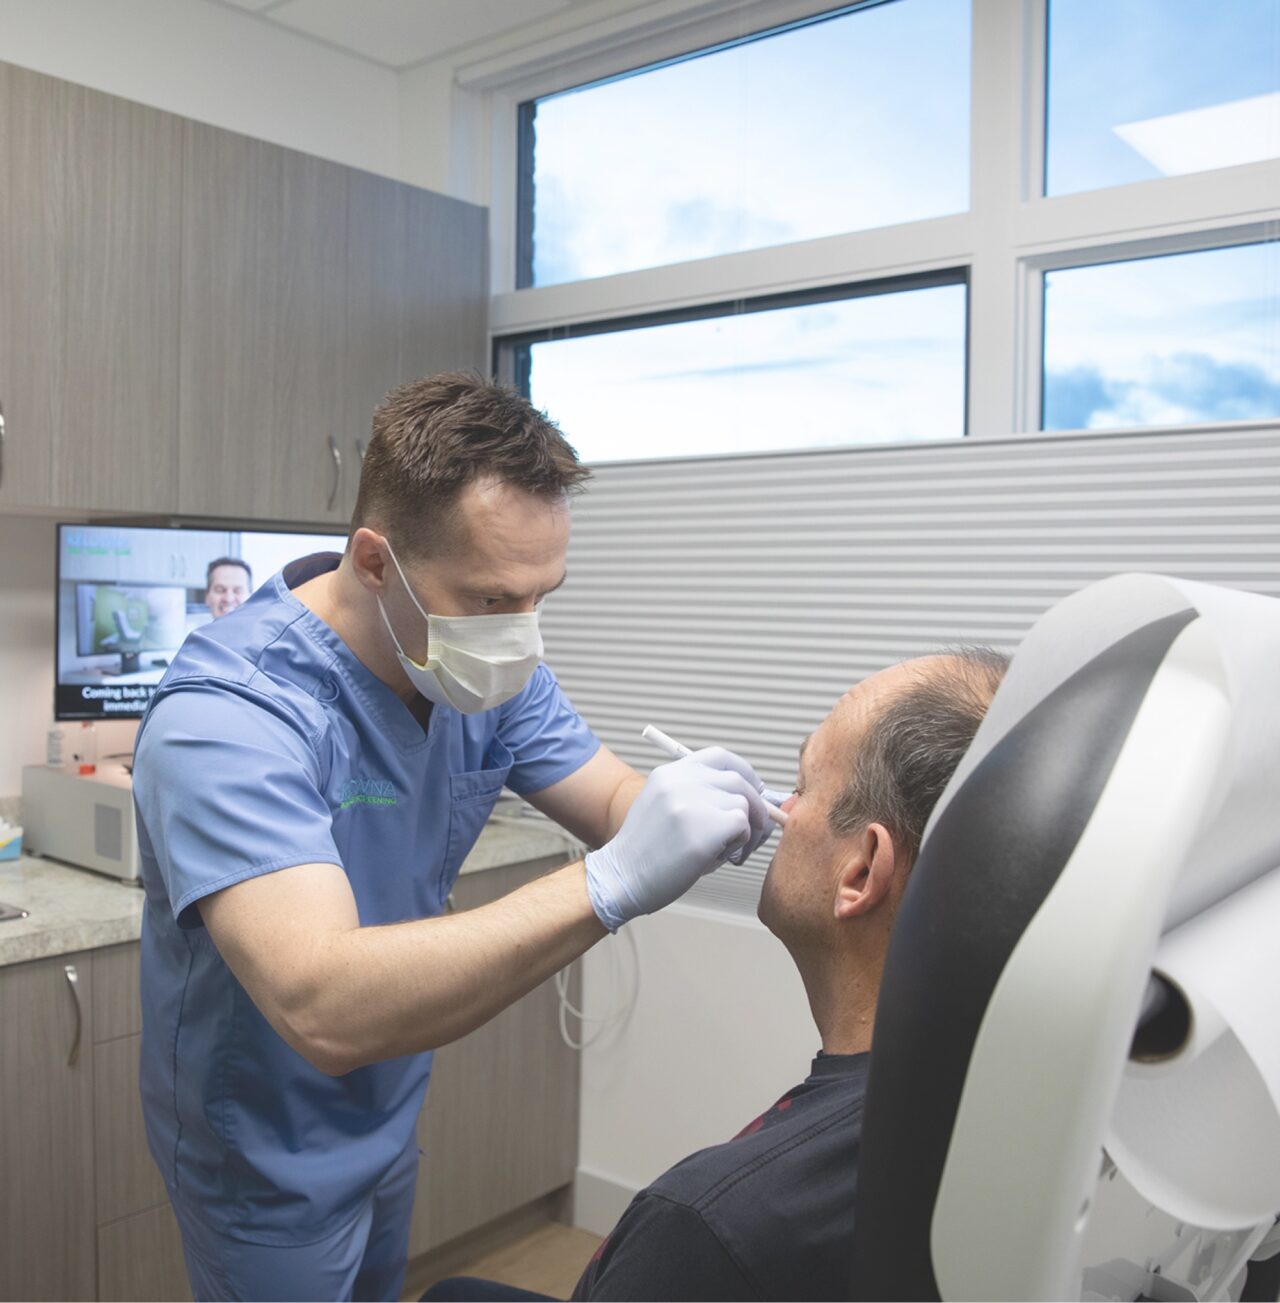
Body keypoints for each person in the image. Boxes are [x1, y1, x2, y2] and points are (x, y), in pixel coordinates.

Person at [131, 374, 776, 1303]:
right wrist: (611, 882)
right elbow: (324, 1002)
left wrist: (702, 806)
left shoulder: (481, 668)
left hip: (388, 1110)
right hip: (264, 1150)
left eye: (542, 595)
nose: (523, 636)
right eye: (490, 598)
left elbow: (614, 801)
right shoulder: (230, 718)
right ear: (375, 560)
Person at [425, 647, 1008, 1303]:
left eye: (804, 782)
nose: (783, 802)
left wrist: (611, 877)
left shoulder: (707, 1226)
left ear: (861, 872)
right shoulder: (1009, 1096)